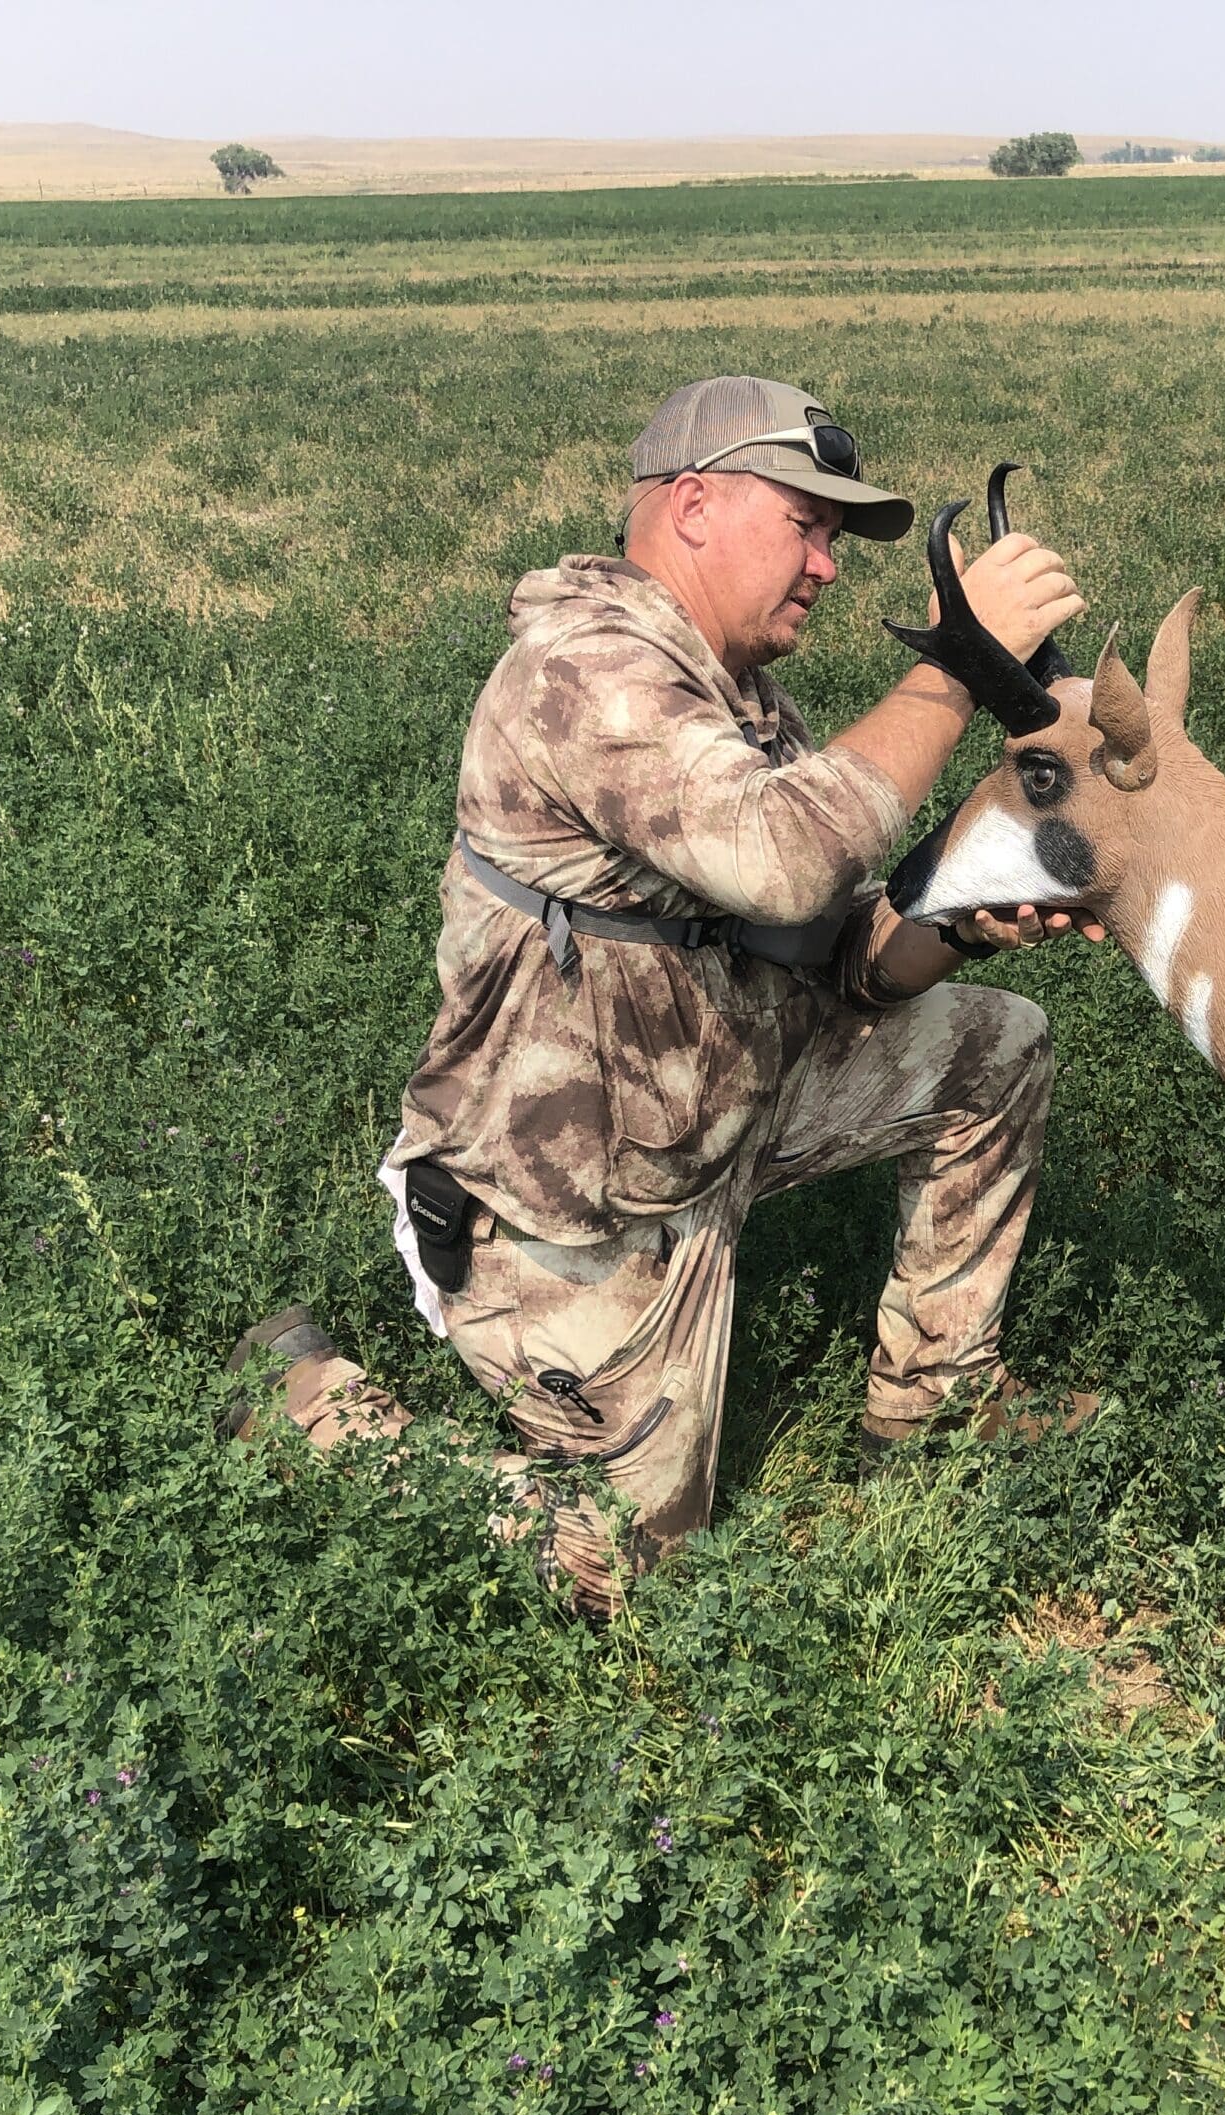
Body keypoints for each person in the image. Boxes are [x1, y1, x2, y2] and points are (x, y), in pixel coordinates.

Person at [224, 376, 1102, 1611]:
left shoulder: (734, 700)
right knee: (625, 1564)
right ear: (692, 506)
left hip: (711, 1120)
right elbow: (787, 854)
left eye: (834, 540)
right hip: (573, 1196)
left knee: (994, 1044)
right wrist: (958, 669)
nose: (827, 566)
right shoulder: (583, 673)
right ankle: (311, 1404)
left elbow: (838, 954)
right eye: (805, 525)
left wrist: (960, 931)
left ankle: (934, 1407)